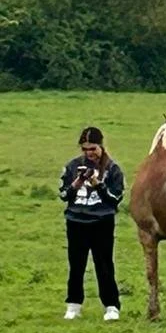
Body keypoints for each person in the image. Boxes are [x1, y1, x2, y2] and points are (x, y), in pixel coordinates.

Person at [59, 126, 125, 321]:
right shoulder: (72, 167)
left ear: (101, 146)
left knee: (104, 265)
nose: (89, 153)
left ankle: (111, 306)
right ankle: (74, 305)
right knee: (76, 265)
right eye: (85, 149)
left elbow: (115, 199)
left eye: (93, 149)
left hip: (102, 222)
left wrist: (98, 184)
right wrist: (76, 183)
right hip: (76, 221)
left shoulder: (113, 169)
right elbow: (64, 195)